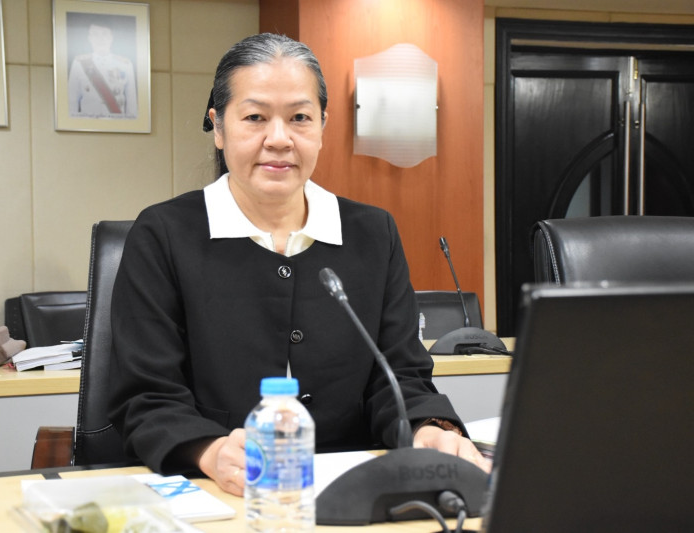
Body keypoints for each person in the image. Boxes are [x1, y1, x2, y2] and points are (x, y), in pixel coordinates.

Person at [108, 33, 490, 497]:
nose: (279, 139)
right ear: (218, 127)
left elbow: (401, 376)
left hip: (353, 487)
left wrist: (427, 428)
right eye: (255, 117)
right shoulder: (164, 234)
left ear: (323, 127)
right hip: (217, 489)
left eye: (300, 118)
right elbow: (146, 393)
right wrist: (209, 450)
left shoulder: (372, 234)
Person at [67, 22, 136, 118]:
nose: (100, 39)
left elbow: (132, 103)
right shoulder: (79, 63)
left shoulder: (125, 64)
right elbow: (71, 102)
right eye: (95, 34)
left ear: (111, 37)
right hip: (87, 124)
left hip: (117, 125)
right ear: (89, 38)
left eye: (105, 34)